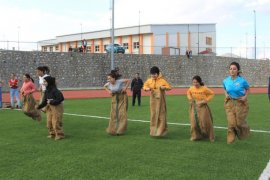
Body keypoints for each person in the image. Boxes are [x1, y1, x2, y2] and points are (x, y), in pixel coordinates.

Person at [223, 61, 250, 144]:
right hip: (229, 102)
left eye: (234, 69)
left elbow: (248, 89)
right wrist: (226, 94)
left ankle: (245, 131)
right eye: (230, 69)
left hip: (240, 102)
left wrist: (245, 97)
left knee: (239, 123)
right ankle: (230, 139)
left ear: (238, 70)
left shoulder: (242, 81)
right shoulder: (225, 81)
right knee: (231, 123)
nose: (232, 70)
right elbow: (225, 89)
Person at [143, 66, 172, 137]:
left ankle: (161, 131)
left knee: (161, 115)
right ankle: (154, 131)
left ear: (158, 74)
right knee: (153, 114)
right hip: (153, 100)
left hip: (161, 100)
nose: (153, 76)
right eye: (152, 74)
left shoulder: (162, 80)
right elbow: (144, 86)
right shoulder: (149, 80)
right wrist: (147, 89)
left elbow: (169, 87)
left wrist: (164, 87)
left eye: (154, 74)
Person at [187, 75, 215, 142]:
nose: (195, 84)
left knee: (206, 122)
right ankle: (195, 136)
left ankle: (211, 137)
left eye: (196, 82)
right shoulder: (191, 88)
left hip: (203, 107)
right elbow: (188, 93)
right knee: (193, 123)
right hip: (194, 107)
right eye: (193, 82)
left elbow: (212, 93)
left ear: (199, 82)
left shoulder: (204, 88)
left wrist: (205, 101)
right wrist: (190, 99)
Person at [36, 76, 65, 140]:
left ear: (49, 82)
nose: (43, 83)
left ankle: (60, 135)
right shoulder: (46, 91)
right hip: (49, 107)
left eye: (45, 82)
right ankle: (52, 133)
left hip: (57, 107)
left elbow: (61, 99)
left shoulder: (56, 91)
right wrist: (39, 106)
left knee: (56, 121)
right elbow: (45, 101)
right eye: (43, 81)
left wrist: (52, 101)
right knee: (49, 121)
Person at [104, 71, 130, 135]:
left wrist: (125, 88)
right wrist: (109, 91)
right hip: (114, 99)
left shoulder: (119, 81)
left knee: (122, 113)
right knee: (113, 114)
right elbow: (104, 86)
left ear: (114, 78)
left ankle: (120, 130)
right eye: (108, 79)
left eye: (110, 78)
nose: (109, 80)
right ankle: (112, 129)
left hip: (122, 97)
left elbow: (128, 80)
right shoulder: (108, 84)